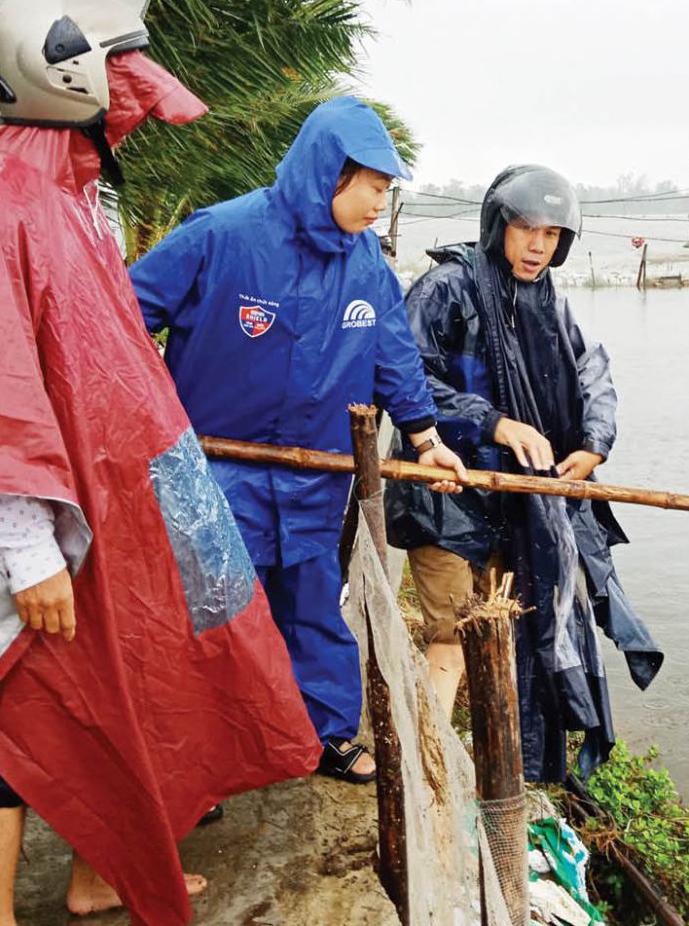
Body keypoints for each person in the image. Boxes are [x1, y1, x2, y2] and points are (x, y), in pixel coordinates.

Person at [0, 0, 321, 924]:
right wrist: (25, 554)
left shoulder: (64, 190)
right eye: (128, 91)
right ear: (66, 77)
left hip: (109, 512)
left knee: (117, 696)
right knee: (11, 712)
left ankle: (100, 872)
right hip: (42, 528)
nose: (136, 113)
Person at [130, 97, 468, 784]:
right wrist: (146, 416)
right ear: (329, 171)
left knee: (314, 606)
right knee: (214, 617)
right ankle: (204, 757)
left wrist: (427, 438)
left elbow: (392, 356)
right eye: (373, 184)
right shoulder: (222, 234)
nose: (381, 201)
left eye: (387, 188)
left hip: (316, 477)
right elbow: (124, 314)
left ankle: (325, 736)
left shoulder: (366, 263)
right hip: (217, 473)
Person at [384, 164, 663, 782]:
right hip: (445, 494)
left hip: (518, 507)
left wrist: (593, 444)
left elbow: (593, 375)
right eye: (526, 229)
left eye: (553, 234)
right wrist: (493, 423)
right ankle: (419, 771)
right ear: (498, 227)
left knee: (511, 636)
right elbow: (403, 375)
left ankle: (499, 772)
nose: (539, 245)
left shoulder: (547, 303)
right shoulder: (447, 289)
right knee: (453, 636)